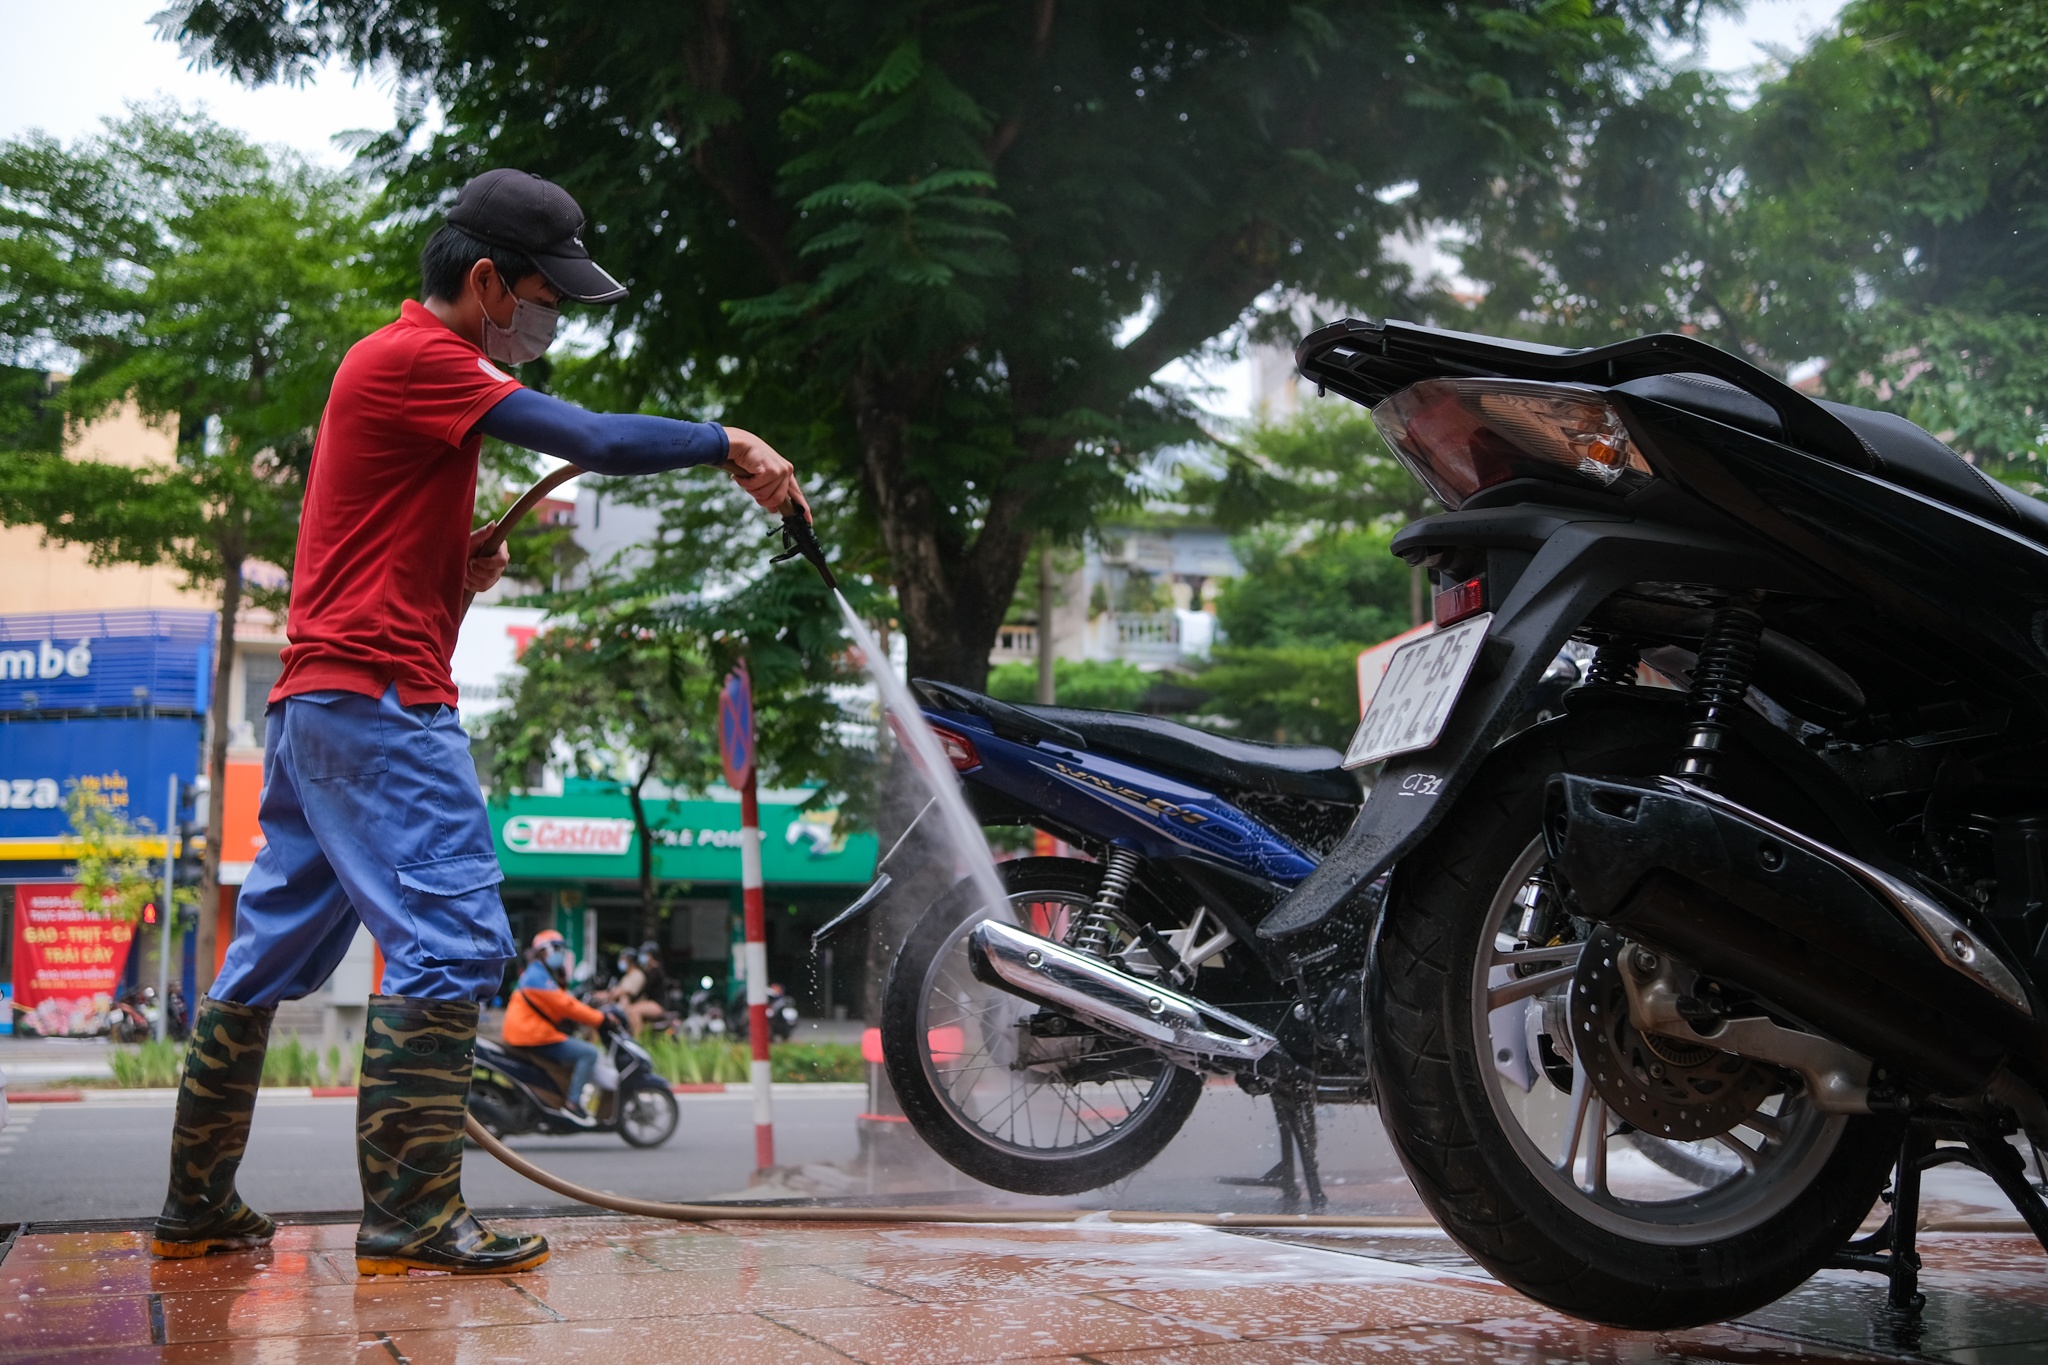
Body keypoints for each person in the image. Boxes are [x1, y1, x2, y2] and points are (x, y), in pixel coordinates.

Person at [149, 169, 806, 1277]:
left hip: (318, 709)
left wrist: (456, 572)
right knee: (450, 943)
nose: (549, 322)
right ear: (488, 281)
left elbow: (374, 572)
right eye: (545, 296)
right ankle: (411, 1216)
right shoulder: (416, 358)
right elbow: (589, 438)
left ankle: (196, 1205)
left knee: (255, 969)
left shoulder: (400, 376)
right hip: (380, 710)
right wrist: (724, 441)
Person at [502, 930, 607, 1120]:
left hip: (529, 1032)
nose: (561, 953)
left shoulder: (541, 973)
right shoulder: (538, 976)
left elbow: (560, 1003)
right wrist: (600, 1019)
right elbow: (565, 1004)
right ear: (543, 951)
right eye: (557, 949)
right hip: (533, 1035)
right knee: (588, 1053)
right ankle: (573, 1102)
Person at [597, 941, 669, 1035]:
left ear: (651, 955)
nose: (643, 957)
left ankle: (637, 1039)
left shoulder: (655, 971)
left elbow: (643, 990)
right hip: (648, 1002)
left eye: (645, 954)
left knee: (633, 1011)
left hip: (657, 1005)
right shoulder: (647, 971)